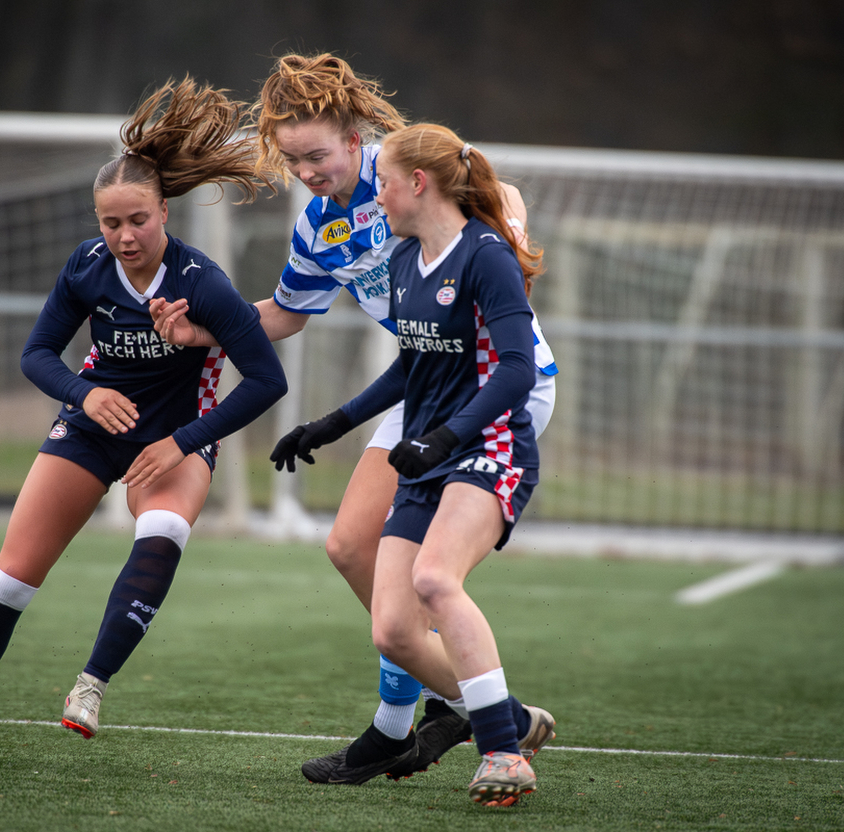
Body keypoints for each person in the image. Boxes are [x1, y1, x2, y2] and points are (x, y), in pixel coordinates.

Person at [150, 53, 556, 784]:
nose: (305, 172)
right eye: (292, 160)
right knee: (348, 547)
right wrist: (200, 330)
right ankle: (458, 707)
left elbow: (504, 193)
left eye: (317, 156)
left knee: (427, 575)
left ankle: (419, 724)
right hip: (423, 384)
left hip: (496, 389)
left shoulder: (403, 172)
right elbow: (284, 314)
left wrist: (505, 246)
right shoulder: (316, 227)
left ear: (354, 138)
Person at [0, 78, 286, 761]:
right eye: (111, 223)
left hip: (174, 437)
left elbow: (268, 379)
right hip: (89, 430)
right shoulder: (86, 268)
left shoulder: (203, 282)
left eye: (137, 220)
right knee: (11, 577)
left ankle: (91, 684)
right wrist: (84, 396)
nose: (124, 236)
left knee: (164, 530)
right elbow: (36, 354)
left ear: (164, 211)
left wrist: (184, 442)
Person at [299, 122, 549, 806]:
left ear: (419, 183)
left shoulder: (486, 256)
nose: (376, 197)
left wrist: (447, 437)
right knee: (394, 630)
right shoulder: (407, 260)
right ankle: (512, 720)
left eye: (383, 183)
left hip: (489, 445)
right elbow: (410, 364)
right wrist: (333, 423)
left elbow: (517, 370)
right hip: (428, 450)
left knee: (435, 579)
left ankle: (504, 755)